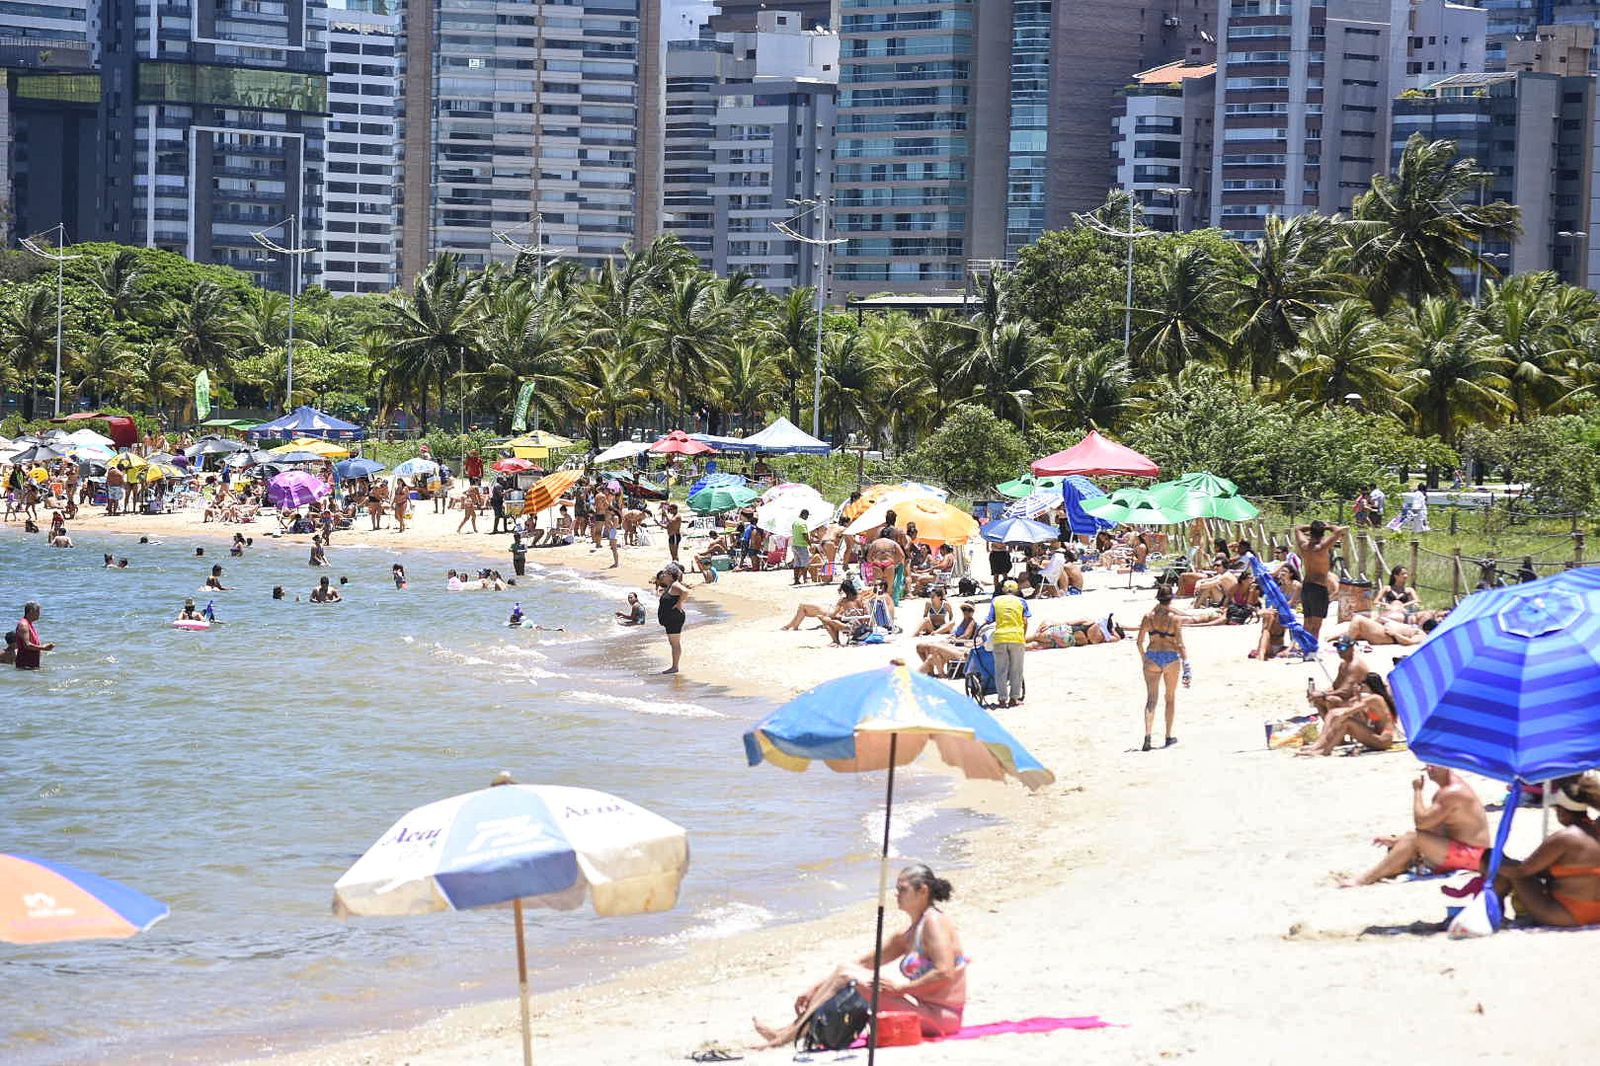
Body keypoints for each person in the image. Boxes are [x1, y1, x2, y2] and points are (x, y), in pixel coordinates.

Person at [753, 863, 967, 1048]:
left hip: (942, 1017)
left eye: (902, 889)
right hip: (922, 1007)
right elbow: (861, 964)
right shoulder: (908, 934)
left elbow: (944, 971)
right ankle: (788, 1031)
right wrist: (815, 987)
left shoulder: (934, 922)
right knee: (846, 970)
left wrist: (901, 989)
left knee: (851, 977)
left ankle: (786, 1037)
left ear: (923, 891)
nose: (896, 895)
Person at [1342, 765, 1490, 887]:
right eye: (1428, 764)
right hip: (1466, 851)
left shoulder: (1452, 793)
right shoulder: (1445, 792)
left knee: (1413, 838)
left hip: (1475, 857)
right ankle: (1385, 870)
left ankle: (1364, 879)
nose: (1429, 768)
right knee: (1408, 839)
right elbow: (1431, 828)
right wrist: (1398, 840)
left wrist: (1417, 791)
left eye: (1434, 765)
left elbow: (1421, 823)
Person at [1491, 775, 1600, 927]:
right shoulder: (1596, 831)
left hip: (1569, 915)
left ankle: (1495, 913)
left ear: (1562, 811)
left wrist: (1491, 865)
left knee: (1511, 870)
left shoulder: (1565, 838)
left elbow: (1522, 871)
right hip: (1597, 914)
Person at [1137, 586, 1188, 751]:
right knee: (1170, 698)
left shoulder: (1148, 617)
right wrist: (1187, 666)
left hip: (1152, 656)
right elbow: (1179, 644)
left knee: (1151, 699)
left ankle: (1147, 736)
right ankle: (1167, 736)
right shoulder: (1175, 619)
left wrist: (1144, 657)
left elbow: (1139, 642)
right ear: (1171, 599)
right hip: (1170, 658)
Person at [1298, 674, 1398, 756]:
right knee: (1338, 717)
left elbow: (1347, 711)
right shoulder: (1368, 699)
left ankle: (1323, 749)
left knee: (1344, 721)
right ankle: (1320, 746)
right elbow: (1356, 713)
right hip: (1377, 736)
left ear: (1369, 685)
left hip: (1383, 740)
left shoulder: (1375, 698)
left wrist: (1336, 721)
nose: (1359, 687)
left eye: (1361, 685)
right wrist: (1356, 695)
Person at [1292, 520, 1346, 643]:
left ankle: (1304, 647)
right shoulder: (1322, 547)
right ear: (1322, 534)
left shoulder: (1304, 546)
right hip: (1319, 587)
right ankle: (1311, 650)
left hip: (1306, 586)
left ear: (1310, 533)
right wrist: (1327, 526)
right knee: (1316, 625)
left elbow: (1298, 527)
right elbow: (1338, 531)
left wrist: (1313, 526)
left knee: (1307, 622)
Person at [984, 579, 1029, 708]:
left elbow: (989, 619)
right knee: (1016, 670)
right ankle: (1014, 699)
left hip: (1000, 638)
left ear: (1003, 590)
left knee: (1000, 670)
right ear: (1016, 590)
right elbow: (1025, 621)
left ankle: (1002, 699)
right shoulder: (1022, 602)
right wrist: (1023, 636)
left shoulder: (996, 601)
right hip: (1016, 638)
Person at [1308, 637, 1369, 714]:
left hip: (1358, 700)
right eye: (1338, 647)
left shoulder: (1355, 665)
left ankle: (1334, 724)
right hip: (1347, 698)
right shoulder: (1343, 664)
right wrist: (1320, 693)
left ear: (1351, 649)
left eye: (1343, 648)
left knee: (1331, 699)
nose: (1339, 651)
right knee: (1317, 699)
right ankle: (1328, 724)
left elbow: (1345, 691)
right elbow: (1336, 685)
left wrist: (1323, 694)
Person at [916, 603, 981, 675]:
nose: (966, 612)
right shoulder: (963, 622)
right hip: (954, 646)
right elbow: (956, 634)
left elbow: (966, 636)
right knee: (921, 648)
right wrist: (952, 637)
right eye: (964, 609)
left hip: (962, 650)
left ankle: (914, 677)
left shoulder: (972, 622)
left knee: (931, 646)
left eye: (969, 610)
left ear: (973, 612)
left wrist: (954, 640)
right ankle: (932, 673)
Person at [654, 569, 689, 673]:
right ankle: (674, 666)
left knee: (675, 643)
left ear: (670, 575)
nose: (662, 576)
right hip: (671, 618)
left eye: (664, 574)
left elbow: (685, 591)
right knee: (673, 643)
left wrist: (679, 603)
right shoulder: (670, 586)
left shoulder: (675, 585)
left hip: (674, 617)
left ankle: (675, 667)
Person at [1025, 614, 1123, 650]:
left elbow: (1067, 623)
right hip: (1069, 642)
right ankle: (1020, 648)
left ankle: (1012, 642)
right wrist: (1113, 630)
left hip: (1065, 632)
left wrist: (1052, 624)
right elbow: (1117, 638)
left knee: (1036, 636)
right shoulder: (1104, 638)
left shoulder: (1090, 622)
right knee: (1036, 645)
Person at [13, 601, 54, 670]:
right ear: (31, 611)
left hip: (30, 666)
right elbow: (27, 645)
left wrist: (42, 648)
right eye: (37, 611)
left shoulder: (29, 624)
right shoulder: (24, 625)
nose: (39, 614)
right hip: (25, 666)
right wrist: (43, 648)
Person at [791, 509, 812, 586]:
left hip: (794, 544)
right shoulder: (803, 523)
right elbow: (805, 535)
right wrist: (810, 544)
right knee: (805, 563)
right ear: (804, 514)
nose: (807, 517)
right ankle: (805, 579)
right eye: (807, 516)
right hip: (801, 545)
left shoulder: (795, 522)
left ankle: (796, 580)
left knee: (797, 564)